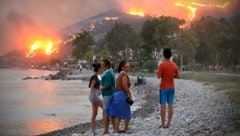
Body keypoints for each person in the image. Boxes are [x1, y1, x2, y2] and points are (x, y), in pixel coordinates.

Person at [157, 48, 180, 129]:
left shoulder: (162, 65)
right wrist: (171, 76)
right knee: (170, 105)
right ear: (171, 55)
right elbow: (178, 76)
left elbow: (158, 76)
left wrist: (163, 75)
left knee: (163, 106)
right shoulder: (174, 65)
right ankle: (169, 123)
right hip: (171, 87)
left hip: (163, 87)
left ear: (164, 55)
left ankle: (163, 124)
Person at [108, 60, 133, 133]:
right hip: (122, 95)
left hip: (116, 95)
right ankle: (126, 128)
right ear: (123, 67)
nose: (129, 68)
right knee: (126, 111)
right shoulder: (124, 75)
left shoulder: (119, 75)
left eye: (129, 66)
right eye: (127, 66)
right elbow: (124, 85)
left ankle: (116, 129)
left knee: (117, 113)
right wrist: (129, 93)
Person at [100, 59, 115, 135]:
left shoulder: (108, 74)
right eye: (101, 64)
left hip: (107, 94)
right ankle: (111, 128)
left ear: (107, 65)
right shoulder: (110, 72)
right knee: (107, 111)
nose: (101, 66)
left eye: (103, 65)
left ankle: (106, 130)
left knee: (106, 112)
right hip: (109, 94)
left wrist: (99, 89)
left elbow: (107, 85)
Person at [88, 63, 103, 135]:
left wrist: (99, 91)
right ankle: (106, 126)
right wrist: (94, 95)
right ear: (99, 69)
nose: (102, 69)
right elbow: (92, 86)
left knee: (95, 113)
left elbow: (98, 85)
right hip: (94, 95)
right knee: (105, 108)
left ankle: (92, 130)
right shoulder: (95, 76)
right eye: (101, 68)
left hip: (95, 94)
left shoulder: (98, 76)